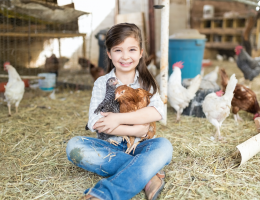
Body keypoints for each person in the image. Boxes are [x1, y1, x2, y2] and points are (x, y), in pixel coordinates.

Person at [66, 23, 173, 200]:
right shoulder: (102, 83)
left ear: (140, 53)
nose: (125, 56)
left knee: (164, 146)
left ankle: (105, 194)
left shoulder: (147, 82)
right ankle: (148, 174)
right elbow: (95, 123)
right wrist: (135, 130)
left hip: (141, 146)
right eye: (118, 50)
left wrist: (117, 119)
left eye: (131, 49)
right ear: (108, 53)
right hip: (111, 146)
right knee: (74, 146)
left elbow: (157, 112)